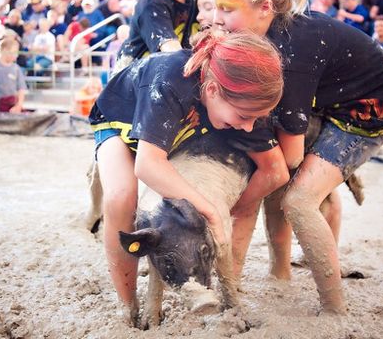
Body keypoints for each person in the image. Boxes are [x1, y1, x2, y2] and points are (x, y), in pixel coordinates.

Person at [211, 0, 383, 314]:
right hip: (330, 100)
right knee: (280, 178)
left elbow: (291, 156)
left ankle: (335, 309)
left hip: (372, 110)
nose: (216, 18)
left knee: (298, 198)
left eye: (226, 9)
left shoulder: (288, 54)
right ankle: (280, 272)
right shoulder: (266, 34)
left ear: (265, 7)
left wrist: (246, 196)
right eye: (214, 6)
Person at [90, 30, 287, 324]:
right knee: (122, 196)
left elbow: (278, 171)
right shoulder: (170, 81)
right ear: (211, 92)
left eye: (255, 119)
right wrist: (210, 210)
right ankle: (128, 303)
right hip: (118, 123)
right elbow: (146, 165)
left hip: (173, 132)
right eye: (245, 118)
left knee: (177, 201)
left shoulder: (240, 100)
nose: (248, 128)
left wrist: (231, 209)